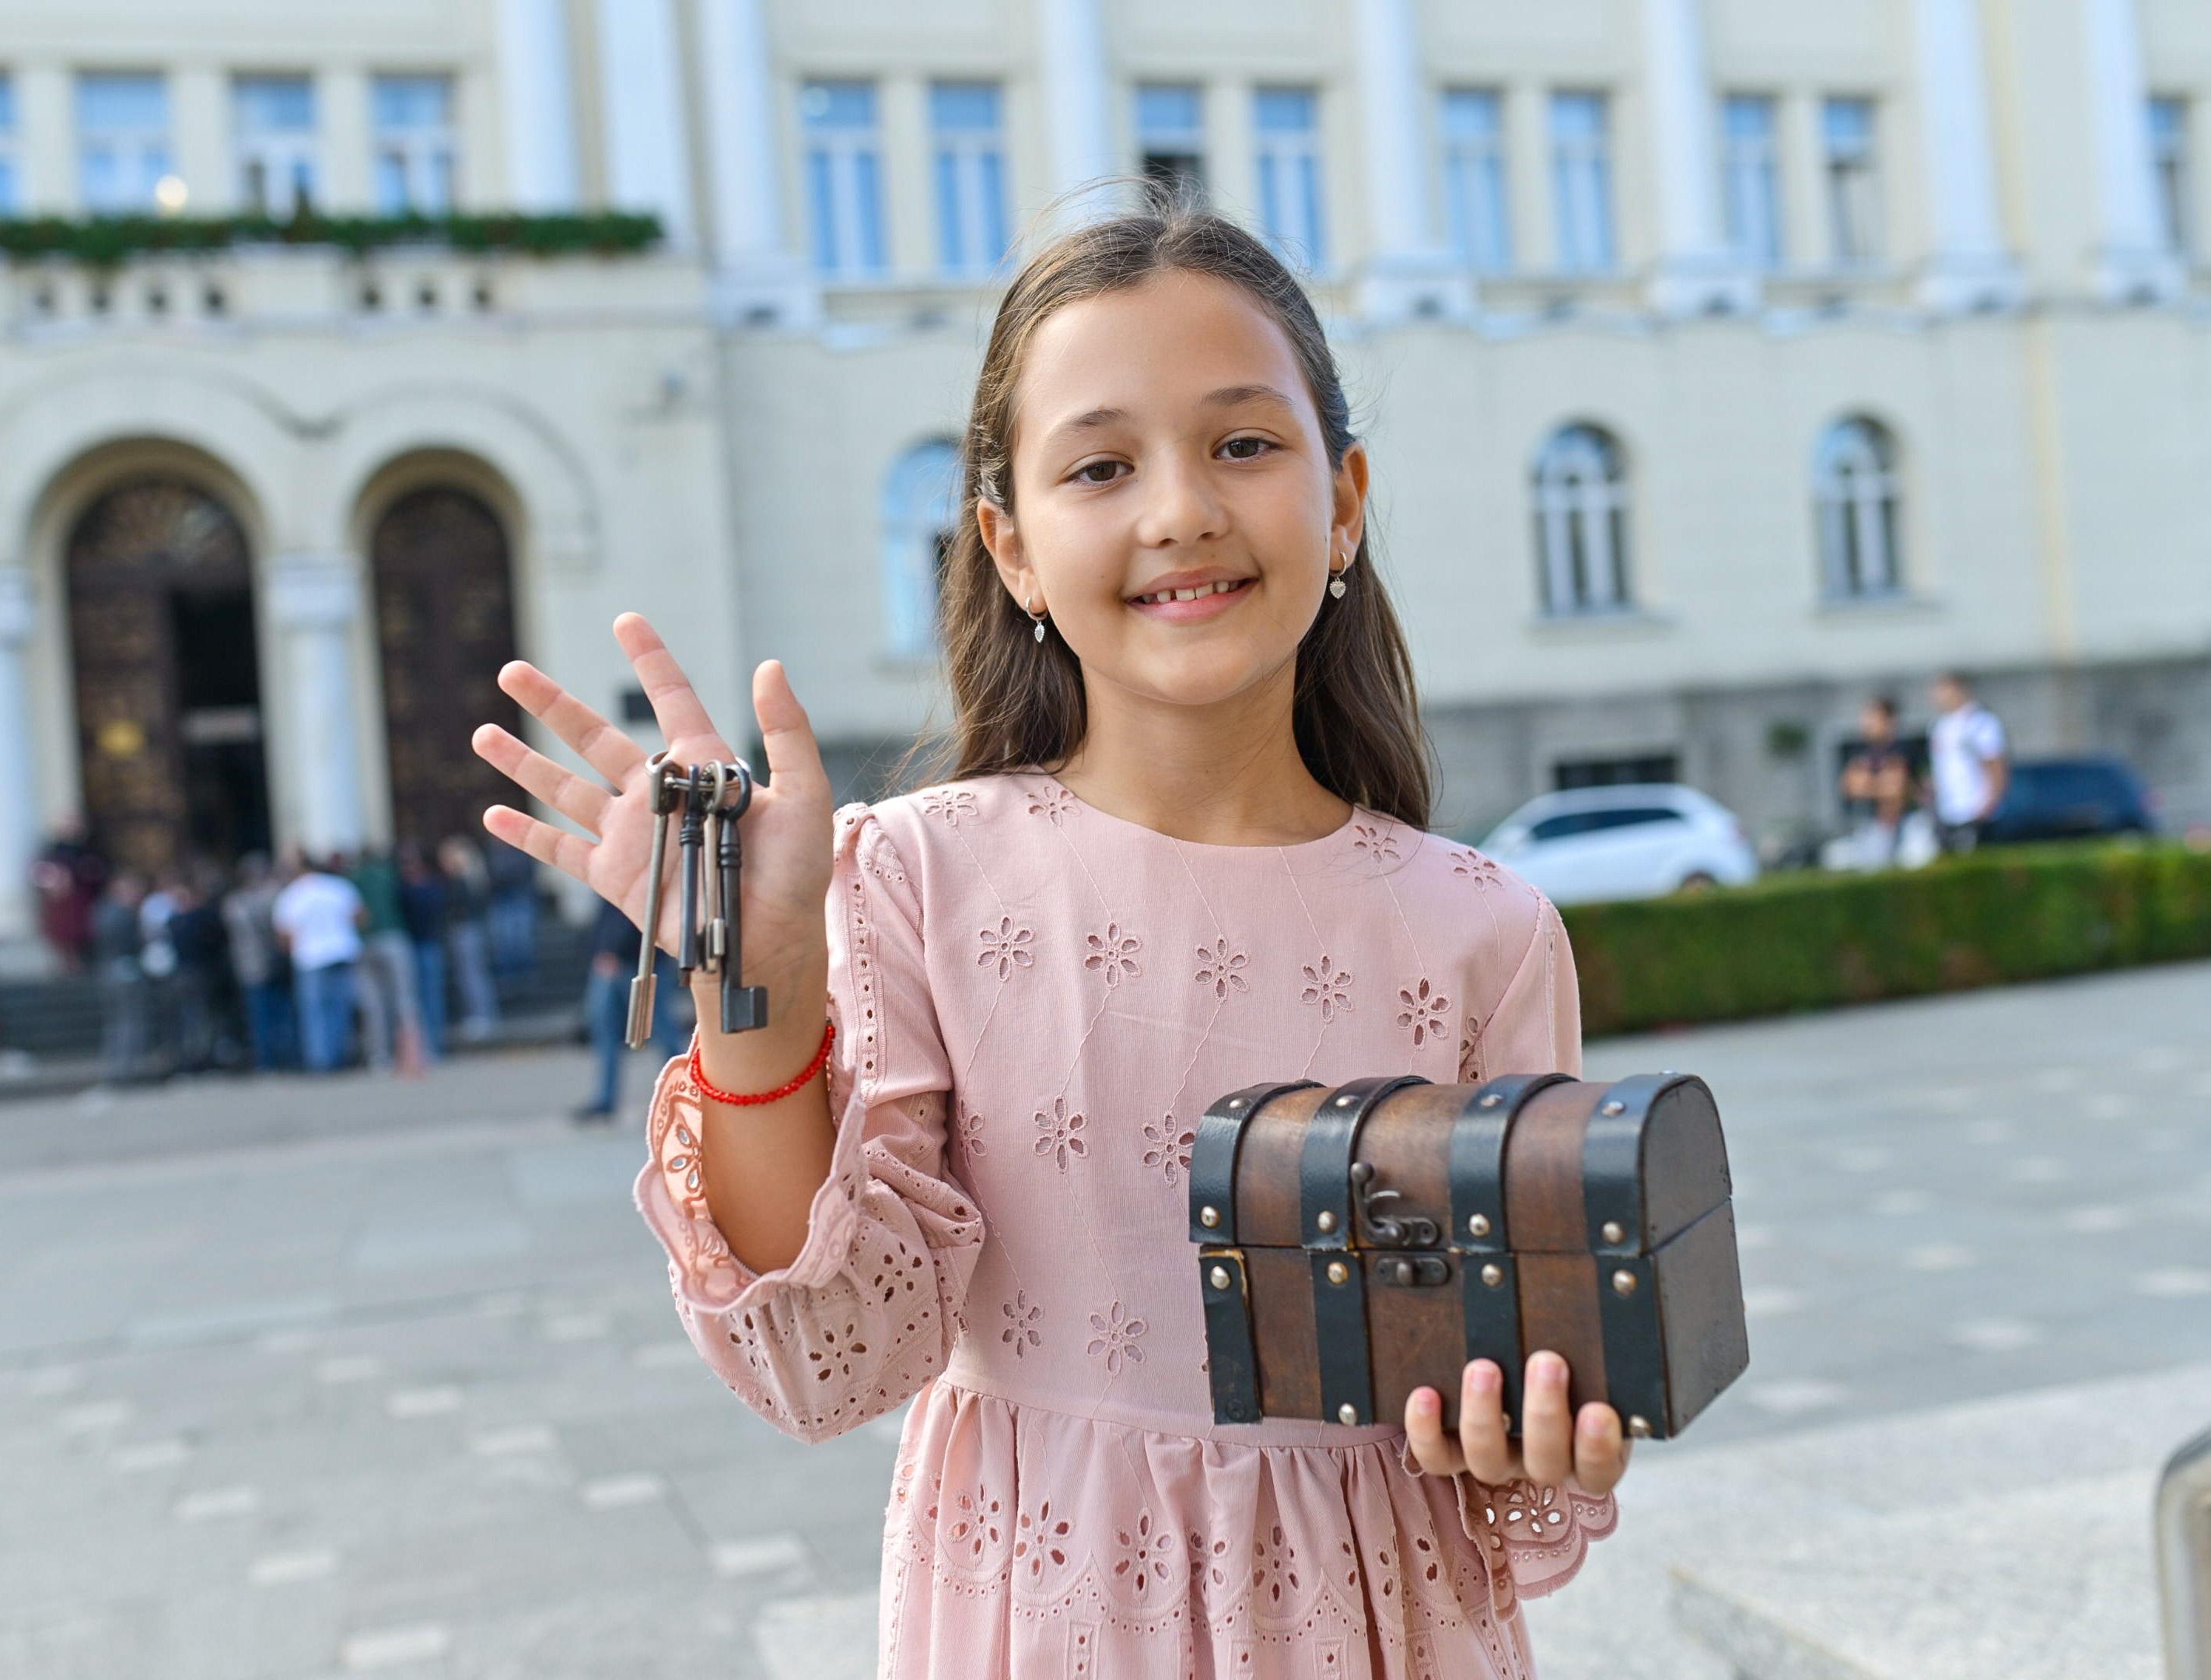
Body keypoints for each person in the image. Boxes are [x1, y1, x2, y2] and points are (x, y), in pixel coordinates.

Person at [472, 201, 1626, 1677]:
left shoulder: (1484, 927)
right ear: (1009, 546)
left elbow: (1520, 1412)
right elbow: (830, 1359)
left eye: (1241, 445)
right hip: (1041, 1618)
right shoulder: (915, 876)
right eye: (1099, 465)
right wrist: (752, 998)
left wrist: (1539, 1427)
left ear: (1341, 501)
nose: (1177, 510)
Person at [575, 894, 683, 1122]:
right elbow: (606, 915)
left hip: (639, 962)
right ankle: (605, 1099)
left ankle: (685, 1092)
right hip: (611, 962)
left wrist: (613, 950)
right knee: (606, 1032)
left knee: (661, 1030)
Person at [272, 853, 367, 1073]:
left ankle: (321, 1060)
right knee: (341, 1008)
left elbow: (285, 934)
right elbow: (360, 917)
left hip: (311, 957)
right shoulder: (338, 887)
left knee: (315, 1012)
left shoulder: (292, 895)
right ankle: (341, 1055)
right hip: (341, 951)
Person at [347, 847, 425, 1076]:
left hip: (365, 941)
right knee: (405, 998)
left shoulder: (352, 880)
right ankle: (414, 1054)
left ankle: (379, 1056)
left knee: (373, 1004)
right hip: (393, 936)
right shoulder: (389, 875)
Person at [223, 852, 296, 1070]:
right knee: (280, 1014)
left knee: (260, 1017)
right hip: (272, 963)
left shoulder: (234, 903)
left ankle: (267, 1061)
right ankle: (288, 1058)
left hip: (251, 966)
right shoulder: (273, 897)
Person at [1929, 671, 2010, 853]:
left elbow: (1995, 764)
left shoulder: (1981, 722)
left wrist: (1988, 805)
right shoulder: (1939, 726)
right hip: (1948, 813)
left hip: (1975, 811)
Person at [1837, 696, 1915, 869]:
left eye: (1872, 717)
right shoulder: (1861, 753)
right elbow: (1848, 787)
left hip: (1897, 826)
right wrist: (1879, 784)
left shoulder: (1901, 749)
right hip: (1867, 824)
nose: (1866, 723)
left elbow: (1894, 788)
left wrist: (1866, 784)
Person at [436, 835, 501, 1041]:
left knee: (472, 975)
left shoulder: (466, 880)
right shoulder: (468, 878)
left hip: (467, 930)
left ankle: (482, 1015)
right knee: (471, 974)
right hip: (466, 930)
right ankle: (481, 1014)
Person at [92, 870, 149, 1083]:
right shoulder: (123, 915)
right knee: (129, 1021)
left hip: (107, 971)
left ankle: (117, 1067)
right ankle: (127, 1068)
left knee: (116, 1022)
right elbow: (133, 944)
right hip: (125, 972)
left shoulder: (100, 913)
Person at [30, 815, 104, 972]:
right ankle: (67, 963)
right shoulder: (52, 850)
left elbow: (96, 870)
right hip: (61, 901)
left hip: (82, 899)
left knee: (84, 933)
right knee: (63, 935)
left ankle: (84, 961)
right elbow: (41, 872)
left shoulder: (87, 848)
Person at [397, 844, 450, 1061]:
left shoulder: (430, 887)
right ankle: (422, 1046)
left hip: (428, 944)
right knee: (416, 998)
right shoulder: (403, 888)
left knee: (432, 995)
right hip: (412, 945)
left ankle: (436, 1045)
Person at [485, 835, 540, 978]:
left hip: (518, 896)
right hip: (501, 897)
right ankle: (507, 972)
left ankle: (525, 971)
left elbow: (523, 872)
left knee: (522, 936)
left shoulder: (519, 852)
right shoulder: (491, 854)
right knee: (502, 937)